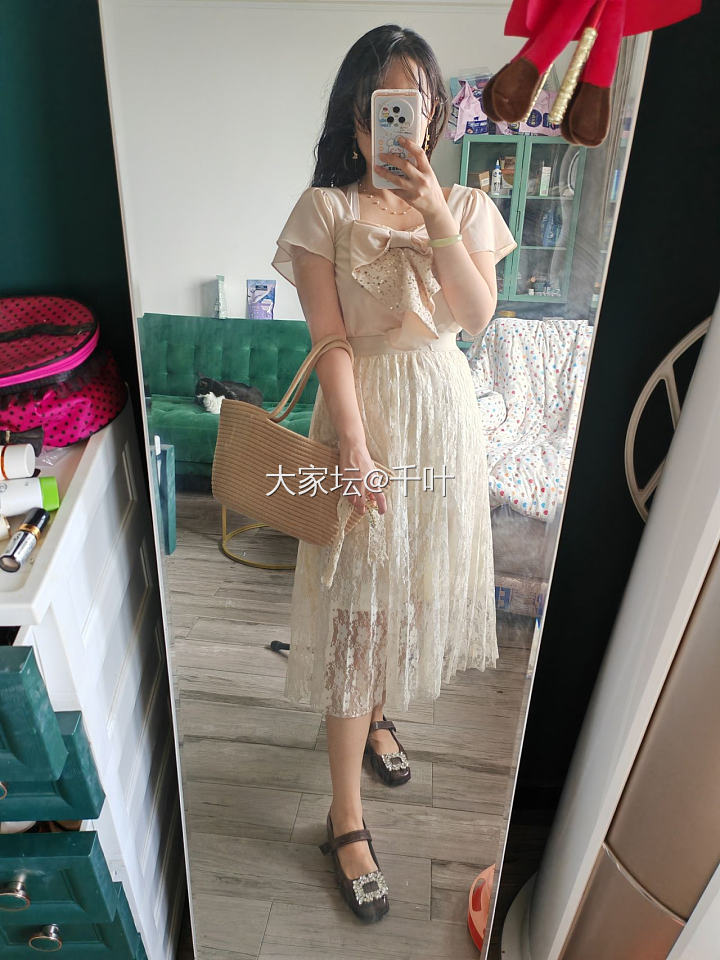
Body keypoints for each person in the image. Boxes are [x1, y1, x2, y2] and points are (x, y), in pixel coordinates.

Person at [271, 23, 516, 922]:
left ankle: (376, 716)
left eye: (416, 102)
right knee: (352, 613)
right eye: (384, 104)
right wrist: (354, 445)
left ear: (438, 112)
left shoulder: (469, 206)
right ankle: (344, 818)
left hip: (442, 422)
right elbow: (329, 340)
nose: (401, 122)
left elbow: (476, 315)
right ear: (356, 114)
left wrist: (437, 213)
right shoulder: (324, 211)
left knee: (403, 595)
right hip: (363, 421)